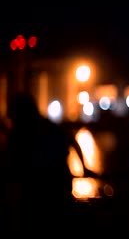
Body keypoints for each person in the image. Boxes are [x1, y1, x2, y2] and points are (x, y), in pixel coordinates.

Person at [4, 92, 74, 234]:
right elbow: (71, 141)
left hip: (37, 189)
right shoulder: (48, 126)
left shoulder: (19, 134)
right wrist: (84, 168)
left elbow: (12, 164)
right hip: (58, 185)